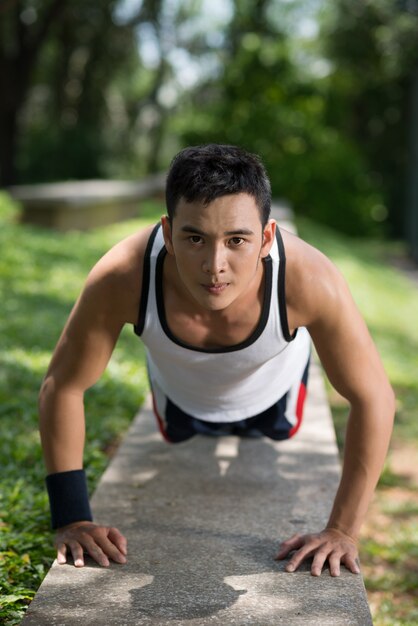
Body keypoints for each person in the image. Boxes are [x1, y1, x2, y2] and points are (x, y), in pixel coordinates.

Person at [39, 144, 395, 577]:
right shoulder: (124, 275)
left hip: (273, 392)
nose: (215, 266)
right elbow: (63, 384)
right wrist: (72, 517)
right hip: (181, 397)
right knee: (185, 435)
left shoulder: (309, 279)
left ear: (266, 238)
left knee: (273, 438)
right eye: (194, 238)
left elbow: (374, 396)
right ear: (167, 234)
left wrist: (343, 529)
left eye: (237, 240)